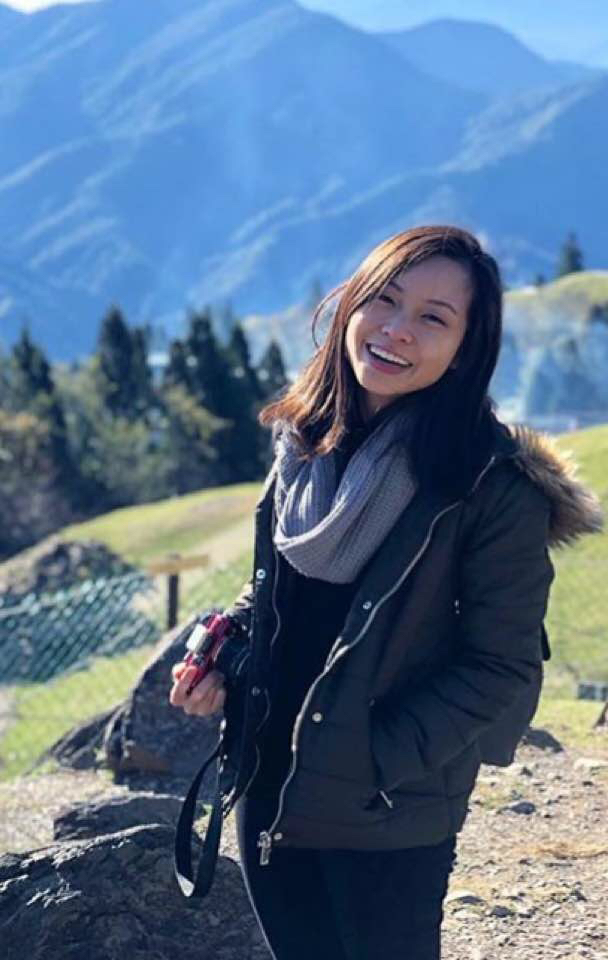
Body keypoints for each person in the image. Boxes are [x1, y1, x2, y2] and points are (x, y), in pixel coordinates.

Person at [168, 225, 603, 959]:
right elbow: (281, 594)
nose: (397, 329)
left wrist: (372, 761)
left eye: (434, 317)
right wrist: (224, 650)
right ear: (351, 305)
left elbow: (501, 669)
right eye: (386, 300)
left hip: (385, 810)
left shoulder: (491, 486)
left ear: (465, 349)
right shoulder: (306, 445)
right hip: (268, 775)